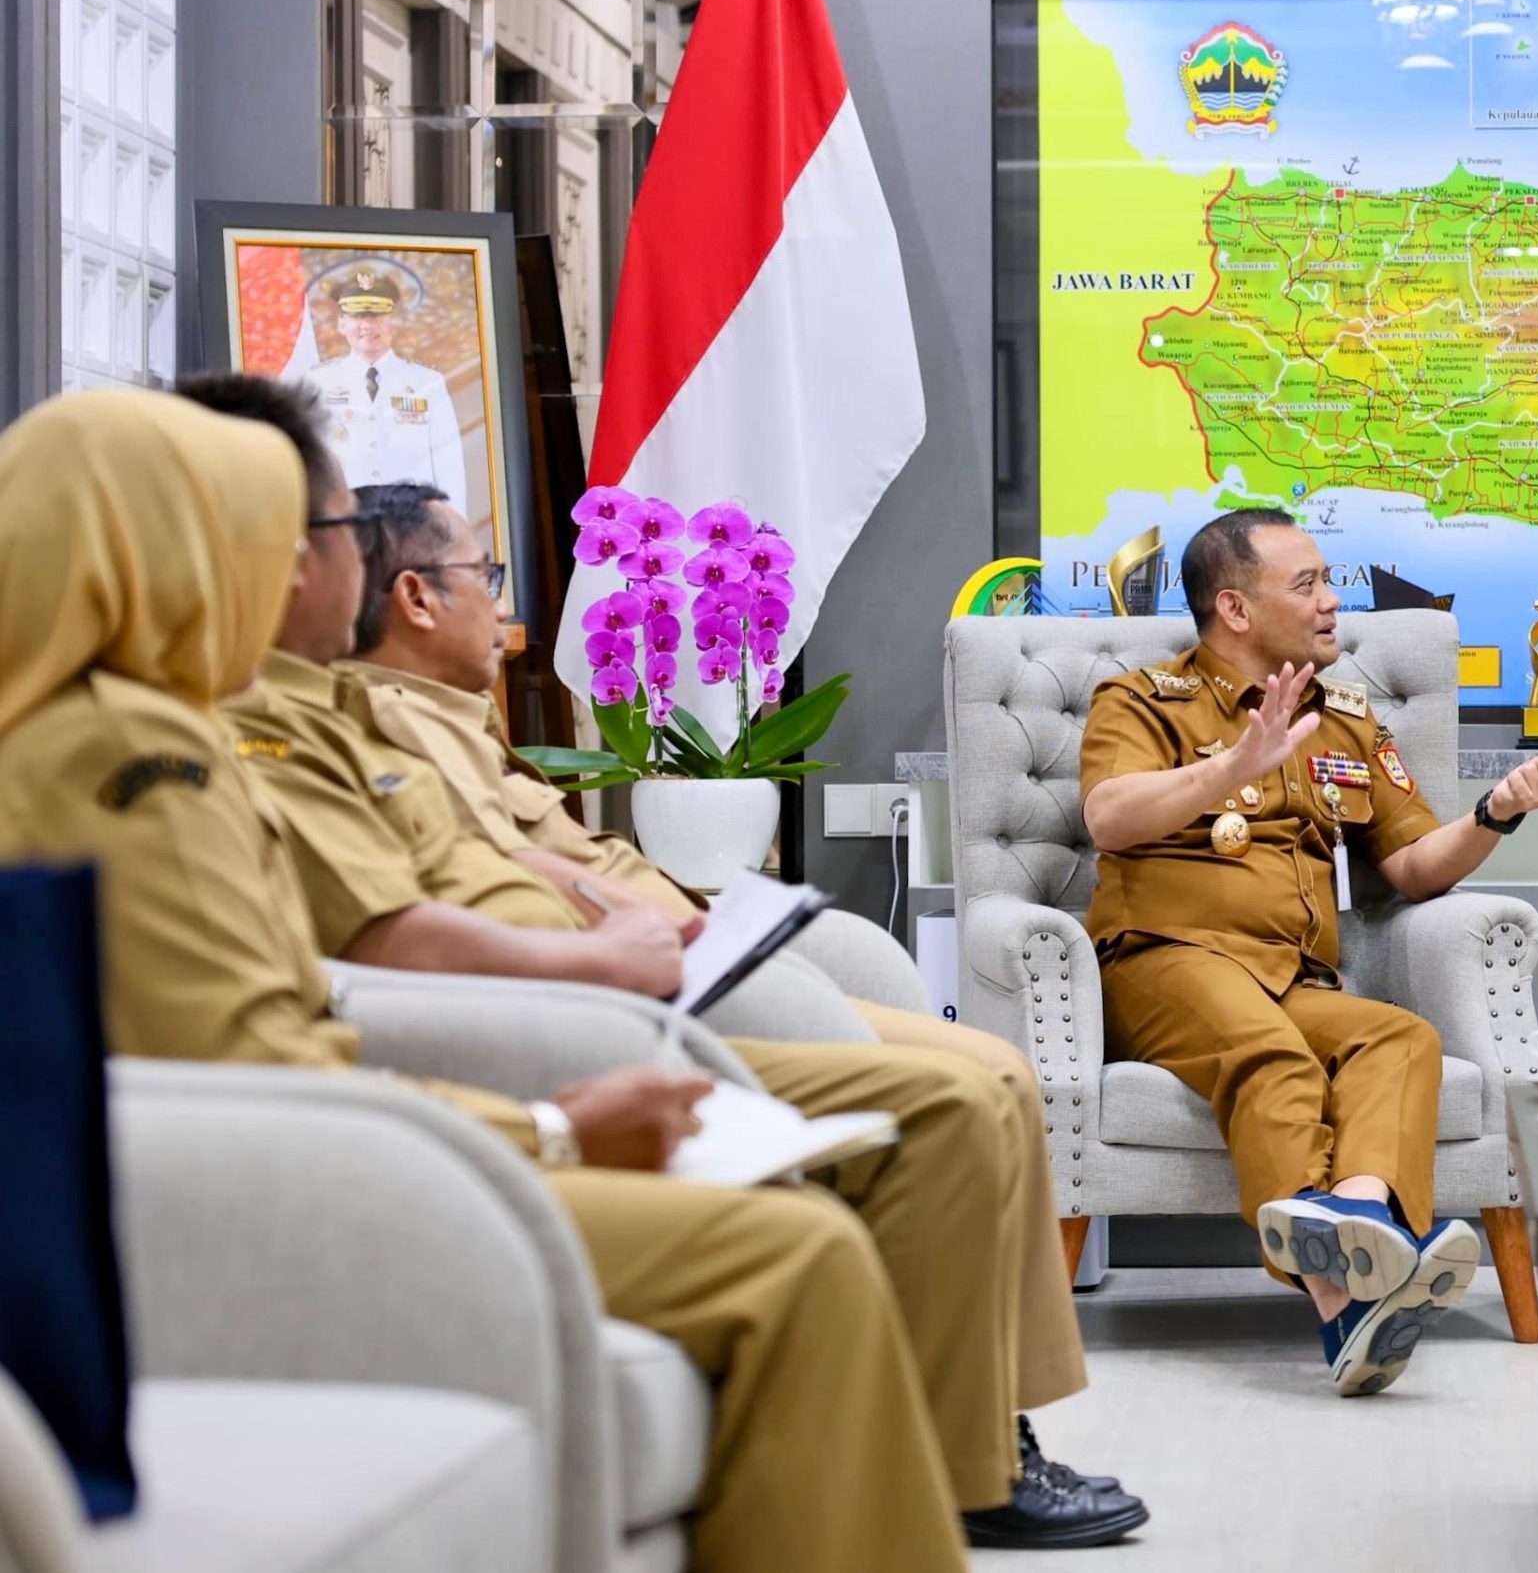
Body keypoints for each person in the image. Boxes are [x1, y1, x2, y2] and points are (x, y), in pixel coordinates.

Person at [0, 388, 966, 1573]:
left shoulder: (107, 726)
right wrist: (553, 1128)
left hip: (338, 1145)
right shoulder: (136, 753)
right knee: (796, 1254)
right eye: (277, 534)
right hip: (294, 1188)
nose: (303, 569)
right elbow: (266, 1058)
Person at [176, 374, 1140, 1550]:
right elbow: (371, 948)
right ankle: (975, 1453)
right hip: (547, 1027)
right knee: (944, 1107)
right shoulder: (249, 731)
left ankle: (984, 1433)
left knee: (978, 1085)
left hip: (607, 990)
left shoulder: (312, 713)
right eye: (325, 533)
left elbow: (490, 869)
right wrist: (577, 1030)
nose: (338, 562)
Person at [326, 475, 1101, 1463]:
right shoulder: (372, 731)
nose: (504, 604)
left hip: (685, 950)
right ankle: (985, 1439)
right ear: (417, 597)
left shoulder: (457, 719)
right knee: (976, 1083)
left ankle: (991, 1418)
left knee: (998, 1073)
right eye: (488, 574)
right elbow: (467, 896)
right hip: (640, 990)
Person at [1080, 508, 1538, 1395]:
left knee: (1401, 1038)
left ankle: (1359, 1226)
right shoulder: (1142, 701)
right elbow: (1109, 817)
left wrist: (1498, 811)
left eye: (1328, 581)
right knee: (1273, 1056)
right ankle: (1342, 1298)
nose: (1331, 603)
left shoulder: (1346, 719)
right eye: (1307, 584)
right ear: (1235, 608)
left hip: (1290, 976)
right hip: (1163, 961)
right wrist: (1231, 767)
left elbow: (1414, 868)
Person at [296, 261, 468, 499]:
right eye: (357, 315)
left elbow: (448, 462)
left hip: (411, 513)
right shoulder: (317, 383)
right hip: (348, 513)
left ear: (395, 323)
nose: (368, 325)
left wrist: (453, 519)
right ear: (341, 323)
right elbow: (309, 461)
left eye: (378, 315)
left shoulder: (427, 382)